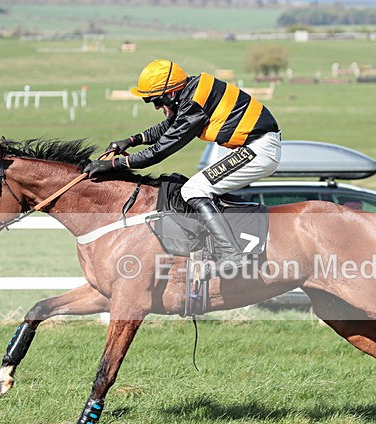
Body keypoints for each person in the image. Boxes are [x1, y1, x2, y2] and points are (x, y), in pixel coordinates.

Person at [85, 59, 282, 274]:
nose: (157, 107)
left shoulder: (194, 105)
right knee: (200, 188)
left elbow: (159, 151)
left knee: (193, 189)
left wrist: (113, 165)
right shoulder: (192, 94)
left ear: (171, 93)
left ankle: (232, 253)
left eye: (157, 101)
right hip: (254, 145)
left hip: (259, 149)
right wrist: (132, 141)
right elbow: (169, 126)